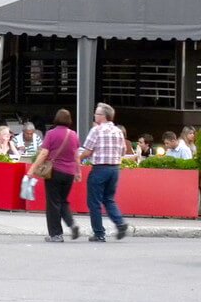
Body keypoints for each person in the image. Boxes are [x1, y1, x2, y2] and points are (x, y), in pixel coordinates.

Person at [26, 109, 81, 243]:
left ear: (56, 119)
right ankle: (72, 224)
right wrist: (78, 172)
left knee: (53, 203)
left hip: (54, 172)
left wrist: (32, 169)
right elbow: (76, 155)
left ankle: (56, 234)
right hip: (69, 173)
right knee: (63, 201)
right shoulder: (73, 135)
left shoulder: (51, 133)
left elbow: (44, 153)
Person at [80, 102, 129, 242]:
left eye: (96, 113)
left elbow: (87, 151)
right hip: (114, 169)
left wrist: (78, 159)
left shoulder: (96, 130)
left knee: (94, 202)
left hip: (100, 169)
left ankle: (99, 233)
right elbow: (123, 151)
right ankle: (120, 223)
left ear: (103, 116)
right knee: (109, 199)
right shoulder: (118, 131)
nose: (95, 115)